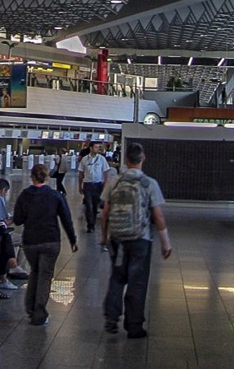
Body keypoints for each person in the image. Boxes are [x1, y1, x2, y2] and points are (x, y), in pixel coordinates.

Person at [100, 143, 172, 338]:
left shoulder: (114, 182)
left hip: (117, 238)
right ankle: (134, 326)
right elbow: (158, 216)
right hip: (141, 239)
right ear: (143, 158)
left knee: (117, 277)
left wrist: (103, 237)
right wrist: (166, 242)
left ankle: (111, 318)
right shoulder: (149, 183)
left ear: (125, 160)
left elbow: (105, 212)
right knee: (137, 282)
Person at [12, 164, 78, 327]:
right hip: (50, 241)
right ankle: (40, 312)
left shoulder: (24, 195)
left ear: (32, 177)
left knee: (35, 272)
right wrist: (72, 240)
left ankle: (30, 308)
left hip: (30, 242)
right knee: (45, 276)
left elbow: (18, 219)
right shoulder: (55, 196)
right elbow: (66, 219)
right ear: (47, 177)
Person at [78, 142, 112, 233]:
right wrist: (79, 185)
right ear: (91, 148)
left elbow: (106, 173)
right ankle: (90, 225)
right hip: (87, 185)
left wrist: (105, 185)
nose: (98, 149)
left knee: (95, 206)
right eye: (96, 147)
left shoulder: (102, 159)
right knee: (88, 205)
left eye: (99, 147)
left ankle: (92, 222)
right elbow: (81, 174)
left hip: (98, 185)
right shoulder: (84, 160)